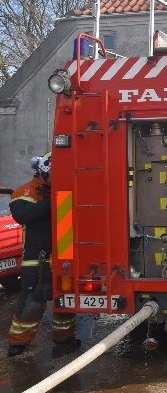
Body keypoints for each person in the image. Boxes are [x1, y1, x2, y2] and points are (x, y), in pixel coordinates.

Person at [7, 153, 79, 357]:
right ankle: (18, 343)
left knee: (65, 302)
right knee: (33, 300)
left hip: (63, 258)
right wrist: (58, 200)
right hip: (36, 259)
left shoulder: (60, 192)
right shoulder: (27, 191)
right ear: (45, 171)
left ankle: (64, 339)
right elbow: (22, 214)